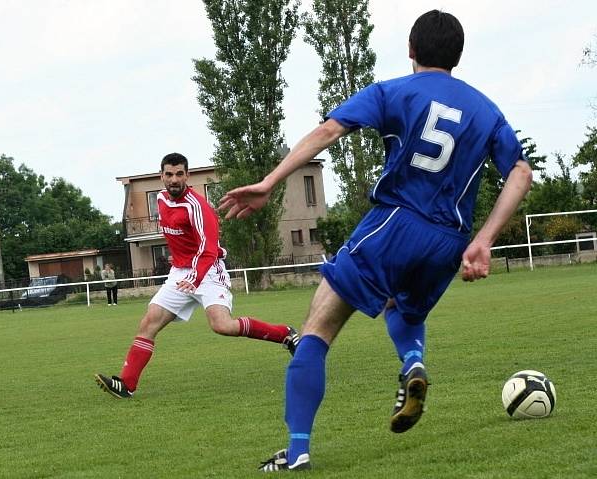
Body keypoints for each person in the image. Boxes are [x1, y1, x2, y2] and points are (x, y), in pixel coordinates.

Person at [219, 10, 533, 472]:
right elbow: (521, 173)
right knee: (401, 309)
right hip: (449, 240)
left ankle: (298, 448)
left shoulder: (393, 91)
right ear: (458, 56)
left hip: (395, 222)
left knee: (316, 330)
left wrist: (270, 182)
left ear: (411, 49)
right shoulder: (486, 110)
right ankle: (412, 363)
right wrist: (484, 239)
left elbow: (330, 131)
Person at [95, 153, 300, 399]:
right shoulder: (160, 199)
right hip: (180, 273)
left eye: (179, 174)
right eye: (169, 174)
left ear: (187, 176)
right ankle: (126, 385)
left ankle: (285, 334)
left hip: (209, 271)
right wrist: (180, 259)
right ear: (161, 176)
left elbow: (208, 249)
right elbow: (177, 236)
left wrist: (195, 277)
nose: (174, 179)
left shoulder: (198, 206)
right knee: (148, 323)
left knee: (222, 326)